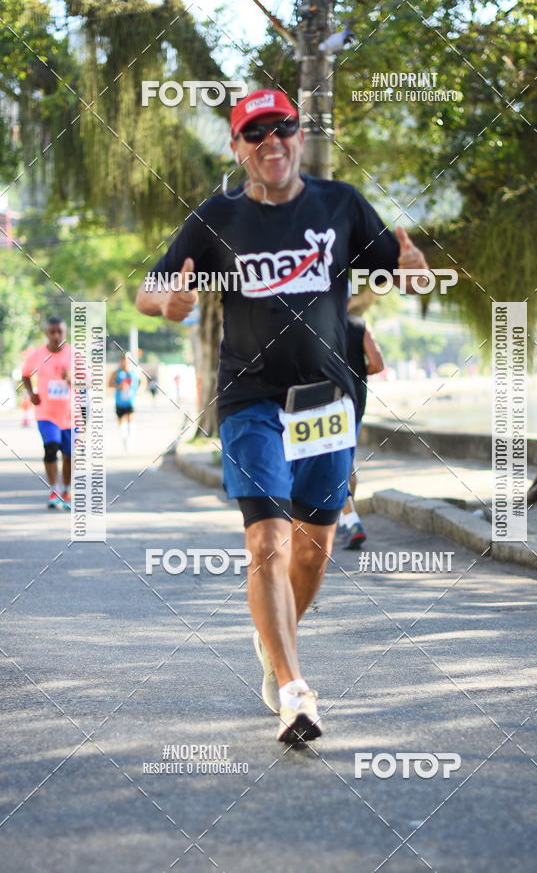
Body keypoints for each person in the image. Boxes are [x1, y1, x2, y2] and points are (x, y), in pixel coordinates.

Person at [136, 88, 428, 744]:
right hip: (249, 398)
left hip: (326, 401)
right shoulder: (218, 216)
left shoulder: (341, 204)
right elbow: (147, 289)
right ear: (238, 147)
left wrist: (413, 272)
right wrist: (169, 304)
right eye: (256, 131)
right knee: (265, 540)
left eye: (284, 128)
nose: (273, 141)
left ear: (299, 135)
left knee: (313, 549)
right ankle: (295, 691)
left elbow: (398, 271)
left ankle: (272, 643)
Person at [337, 314, 384, 549]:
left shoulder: (313, 322)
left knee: (335, 461)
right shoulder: (360, 325)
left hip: (325, 400)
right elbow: (377, 364)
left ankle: (350, 519)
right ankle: (346, 517)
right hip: (355, 401)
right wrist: (355, 371)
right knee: (347, 461)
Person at [21, 316, 73, 510]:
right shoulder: (37, 355)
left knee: (68, 455)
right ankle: (55, 489)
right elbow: (25, 374)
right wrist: (31, 393)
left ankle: (67, 490)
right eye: (52, 332)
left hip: (70, 415)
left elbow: (89, 381)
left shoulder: (74, 354)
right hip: (46, 414)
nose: (56, 335)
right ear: (46, 333)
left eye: (60, 331)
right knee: (51, 448)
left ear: (65, 332)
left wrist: (71, 380)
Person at [109, 355, 139, 448]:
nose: (125, 363)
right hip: (119, 402)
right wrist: (119, 386)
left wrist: (140, 390)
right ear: (120, 361)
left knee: (130, 419)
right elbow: (109, 384)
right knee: (121, 422)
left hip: (130, 401)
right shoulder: (117, 372)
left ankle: (130, 439)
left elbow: (143, 380)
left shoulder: (134, 372)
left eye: (127, 361)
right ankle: (124, 440)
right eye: (123, 361)